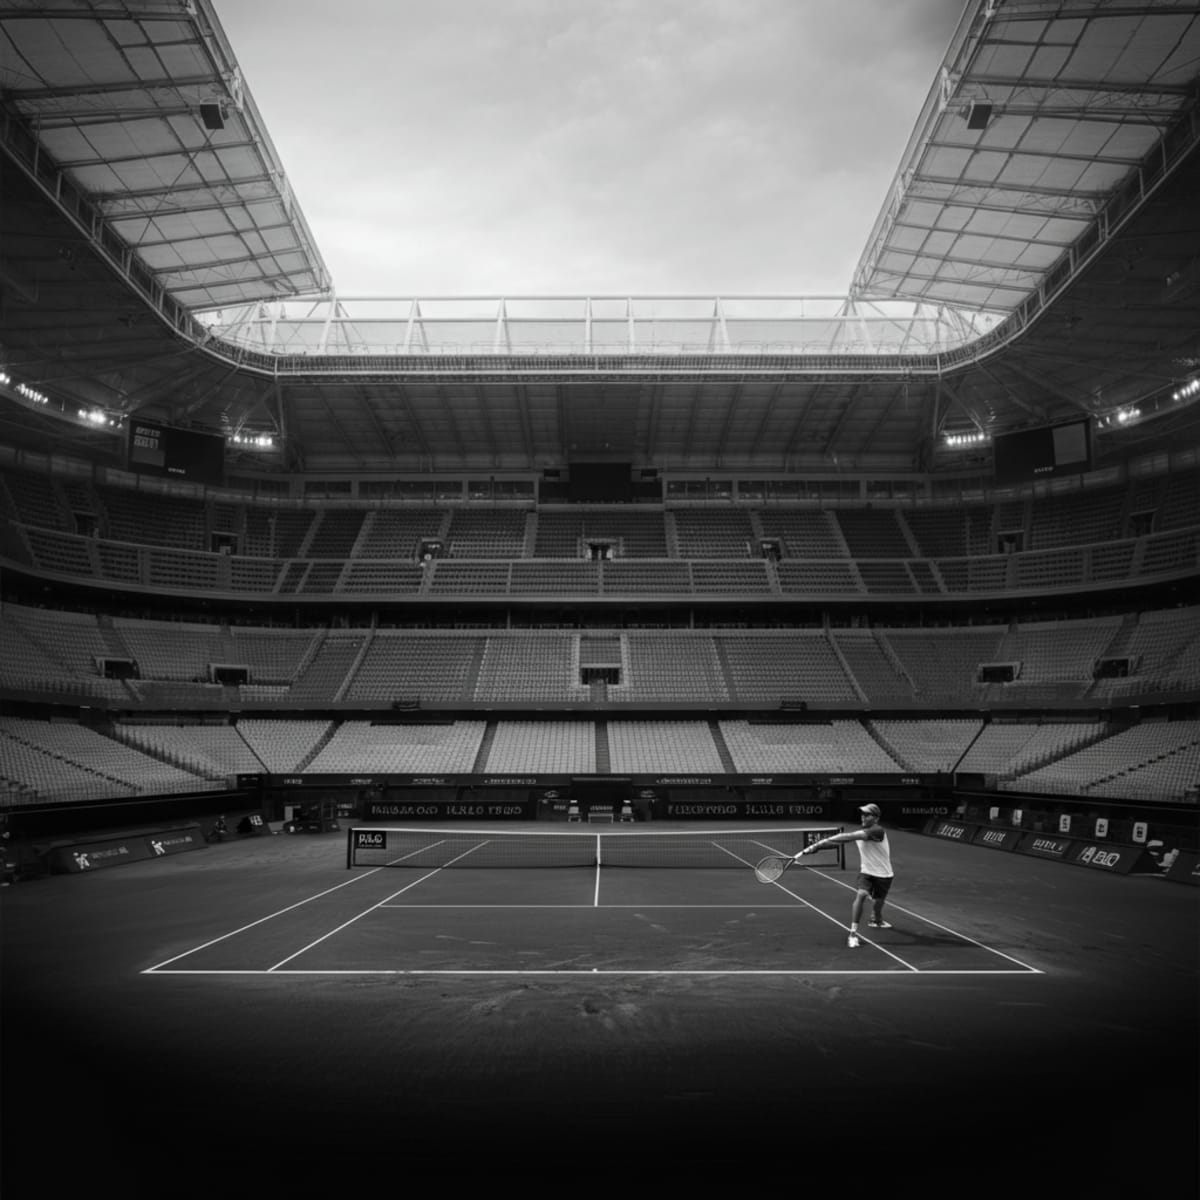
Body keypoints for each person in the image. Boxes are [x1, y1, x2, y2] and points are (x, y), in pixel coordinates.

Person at [797, 803, 894, 948]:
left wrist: (818, 844)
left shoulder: (877, 831)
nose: (863, 816)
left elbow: (845, 837)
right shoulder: (863, 832)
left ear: (876, 818)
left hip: (884, 874)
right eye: (862, 814)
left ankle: (876, 919)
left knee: (878, 902)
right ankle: (853, 934)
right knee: (861, 895)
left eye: (867, 814)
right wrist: (817, 847)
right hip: (867, 872)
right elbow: (839, 841)